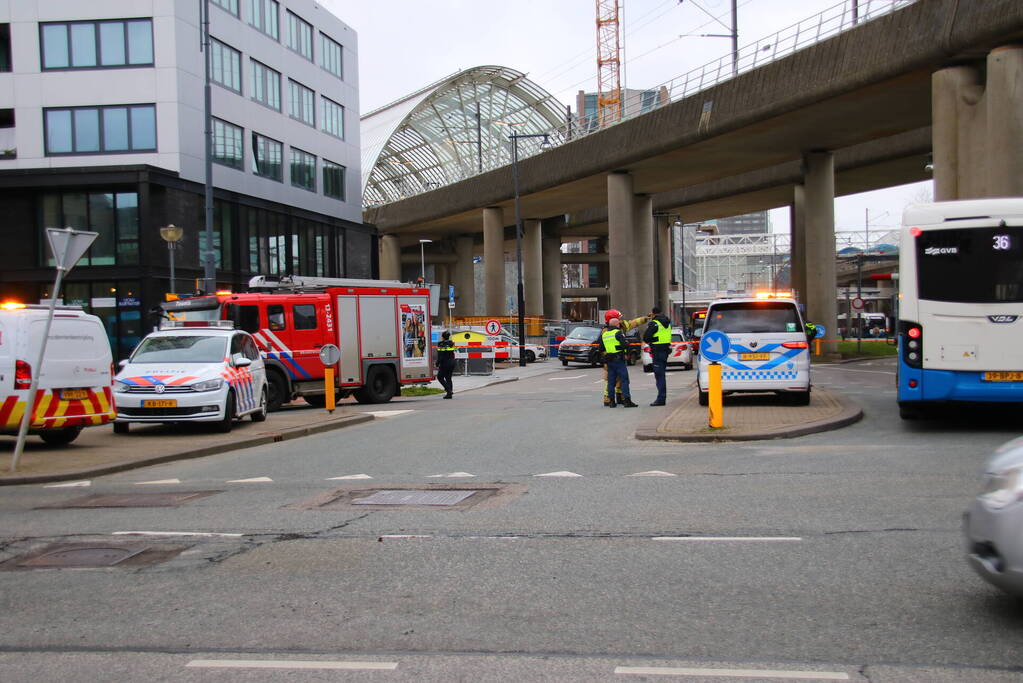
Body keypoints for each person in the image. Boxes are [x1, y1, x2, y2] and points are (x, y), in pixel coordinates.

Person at [601, 308, 650, 406]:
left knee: (614, 380)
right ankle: (612, 399)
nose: (621, 320)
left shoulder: (615, 329)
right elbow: (622, 345)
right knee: (619, 379)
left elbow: (633, 323)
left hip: (611, 359)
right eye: (619, 318)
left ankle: (616, 399)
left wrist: (644, 319)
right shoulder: (613, 331)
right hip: (616, 359)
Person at [602, 317, 638, 408]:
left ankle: (611, 402)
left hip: (609, 360)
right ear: (616, 324)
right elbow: (625, 345)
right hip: (619, 360)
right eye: (618, 324)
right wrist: (626, 344)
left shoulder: (605, 334)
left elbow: (601, 348)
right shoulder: (618, 333)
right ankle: (627, 401)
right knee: (624, 380)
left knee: (611, 382)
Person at [643, 306, 672, 406]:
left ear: (653, 313)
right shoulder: (668, 323)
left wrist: (653, 341)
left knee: (659, 375)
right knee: (661, 374)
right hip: (665, 350)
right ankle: (662, 397)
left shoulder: (654, 323)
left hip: (657, 351)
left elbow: (646, 337)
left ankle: (661, 399)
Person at [435, 331, 456, 399]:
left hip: (445, 363)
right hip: (452, 362)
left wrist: (437, 363)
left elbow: (440, 355)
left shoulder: (441, 344)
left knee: (439, 377)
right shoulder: (451, 343)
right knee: (448, 378)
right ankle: (449, 393)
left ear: (442, 337)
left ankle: (449, 390)